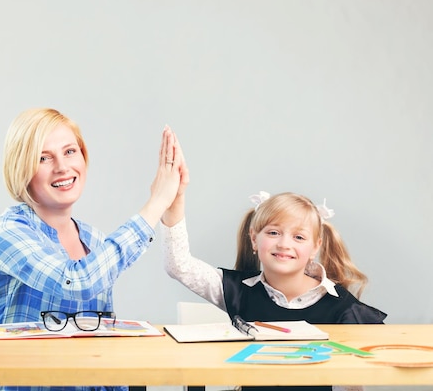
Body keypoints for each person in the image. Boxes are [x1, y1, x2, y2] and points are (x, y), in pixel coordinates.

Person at [0, 107, 182, 391]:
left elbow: (100, 341)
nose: (61, 167)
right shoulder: (4, 233)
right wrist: (155, 203)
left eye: (70, 151)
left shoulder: (95, 241)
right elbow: (75, 281)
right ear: (21, 168)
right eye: (43, 158)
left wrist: (172, 202)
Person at [161, 146, 386, 391]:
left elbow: (356, 379)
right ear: (254, 239)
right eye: (273, 232)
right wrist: (175, 200)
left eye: (299, 237)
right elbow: (179, 265)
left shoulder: (343, 307)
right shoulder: (237, 290)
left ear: (315, 247)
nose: (284, 244)